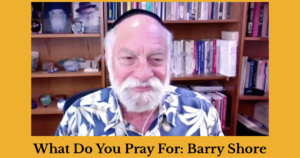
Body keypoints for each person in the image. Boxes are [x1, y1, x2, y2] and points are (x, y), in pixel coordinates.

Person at [55, 9, 224, 136]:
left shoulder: (203, 112)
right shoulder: (77, 116)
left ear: (170, 60)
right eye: (128, 58)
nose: (143, 74)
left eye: (157, 59)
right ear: (108, 59)